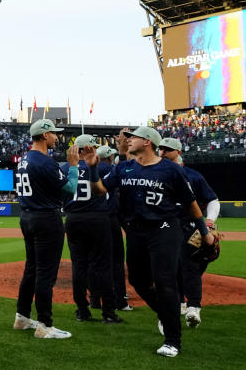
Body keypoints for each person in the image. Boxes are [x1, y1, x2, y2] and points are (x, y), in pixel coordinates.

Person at [90, 126, 210, 357]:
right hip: (136, 231)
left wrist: (205, 232)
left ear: (147, 142)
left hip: (165, 229)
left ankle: (173, 341)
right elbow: (100, 190)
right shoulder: (124, 167)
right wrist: (93, 168)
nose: (128, 140)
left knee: (165, 282)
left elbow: (191, 204)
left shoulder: (171, 170)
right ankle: (166, 314)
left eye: (133, 137)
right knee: (137, 279)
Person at [13, 118, 78, 340]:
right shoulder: (44, 161)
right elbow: (69, 188)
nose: (57, 137)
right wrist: (75, 166)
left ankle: (22, 317)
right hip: (46, 219)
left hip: (27, 217)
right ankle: (45, 324)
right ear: (44, 135)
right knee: (45, 273)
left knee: (31, 268)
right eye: (54, 134)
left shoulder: (23, 160)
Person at [158, 138, 219, 328]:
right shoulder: (156, 174)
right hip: (165, 226)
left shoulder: (193, 176)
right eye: (160, 149)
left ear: (178, 152)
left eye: (167, 150)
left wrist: (209, 222)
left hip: (190, 225)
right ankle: (182, 303)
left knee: (191, 266)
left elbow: (213, 200)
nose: (162, 153)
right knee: (171, 268)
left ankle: (193, 307)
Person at [64, 135, 122, 324]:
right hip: (98, 218)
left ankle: (82, 310)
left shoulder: (65, 168)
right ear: (84, 150)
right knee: (103, 266)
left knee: (79, 266)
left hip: (73, 219)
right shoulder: (102, 167)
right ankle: (108, 311)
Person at [95, 145, 132, 311]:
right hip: (111, 217)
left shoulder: (91, 168)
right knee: (117, 260)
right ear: (110, 157)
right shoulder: (112, 168)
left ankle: (95, 299)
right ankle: (120, 300)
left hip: (93, 217)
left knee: (96, 260)